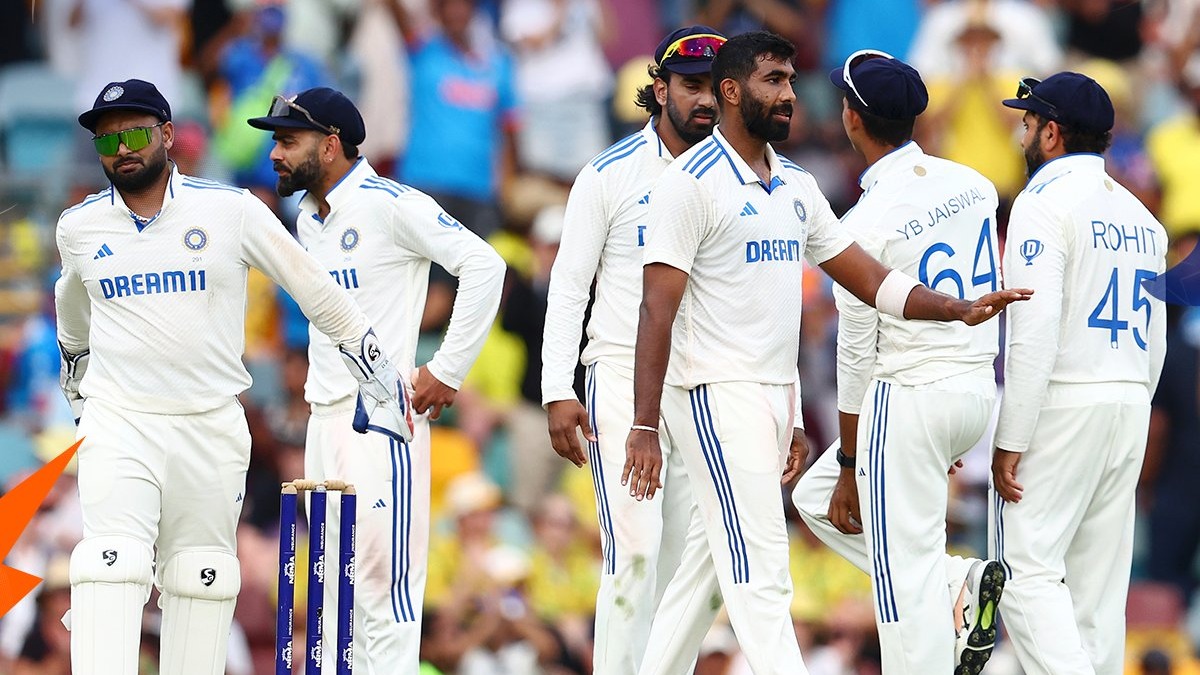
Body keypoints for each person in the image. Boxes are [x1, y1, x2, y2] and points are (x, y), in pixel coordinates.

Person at [623, 31, 1030, 674]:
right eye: (774, 81)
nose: (791, 94)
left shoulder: (796, 184)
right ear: (731, 91)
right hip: (711, 394)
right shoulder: (689, 185)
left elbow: (871, 280)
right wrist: (644, 424)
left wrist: (952, 308)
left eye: (790, 79)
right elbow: (655, 310)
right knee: (761, 574)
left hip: (769, 393)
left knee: (705, 572)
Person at [55, 79, 412, 675]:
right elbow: (71, 305)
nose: (122, 149)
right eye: (107, 141)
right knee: (109, 565)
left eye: (136, 133)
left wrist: (375, 368)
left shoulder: (231, 211)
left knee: (202, 576)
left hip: (211, 422)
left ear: (168, 135)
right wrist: (77, 379)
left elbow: (314, 289)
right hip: (120, 420)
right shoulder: (79, 227)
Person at [247, 86, 506, 672]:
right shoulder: (308, 219)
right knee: (333, 601)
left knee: (383, 598)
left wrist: (447, 369)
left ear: (330, 145)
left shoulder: (391, 204)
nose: (275, 154)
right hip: (323, 424)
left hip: (380, 420)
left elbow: (485, 266)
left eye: (288, 141)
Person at [791, 50, 1006, 675]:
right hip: (973, 396)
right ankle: (956, 582)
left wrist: (852, 461)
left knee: (901, 597)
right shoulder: (975, 184)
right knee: (815, 499)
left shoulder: (859, 224)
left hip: (909, 397)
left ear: (851, 119)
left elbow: (856, 354)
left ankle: (947, 590)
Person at [541, 26, 748, 673]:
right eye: (690, 86)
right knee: (633, 550)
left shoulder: (739, 177)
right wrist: (557, 388)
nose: (705, 100)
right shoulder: (609, 174)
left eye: (715, 87)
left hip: (702, 383)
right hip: (620, 373)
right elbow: (569, 285)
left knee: (686, 566)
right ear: (659, 89)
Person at [991, 71, 1167, 675]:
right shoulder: (1144, 218)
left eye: (1027, 124)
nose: (1021, 136)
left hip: (1065, 398)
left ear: (1052, 133)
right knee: (1098, 591)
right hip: (1129, 397)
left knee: (1021, 570)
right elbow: (1157, 341)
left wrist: (1011, 437)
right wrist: (1134, 404)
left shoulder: (1041, 203)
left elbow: (1033, 330)